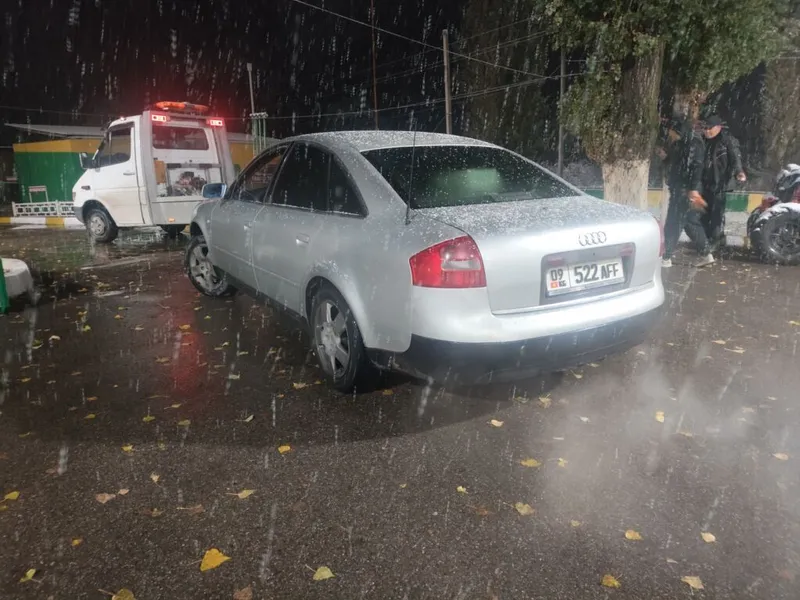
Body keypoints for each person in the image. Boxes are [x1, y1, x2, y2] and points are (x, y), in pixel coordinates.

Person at [660, 117, 716, 268]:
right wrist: (665, 158)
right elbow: (676, 163)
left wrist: (693, 190)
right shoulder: (680, 143)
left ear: (678, 130)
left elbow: (697, 167)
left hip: (685, 190)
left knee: (674, 222)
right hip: (681, 188)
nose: (670, 134)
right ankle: (706, 254)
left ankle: (666, 257)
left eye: (671, 132)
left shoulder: (693, 144)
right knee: (690, 223)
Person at [701, 115, 746, 252]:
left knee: (716, 214)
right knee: (703, 213)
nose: (707, 131)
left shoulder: (727, 140)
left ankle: (714, 241)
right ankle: (710, 240)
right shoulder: (703, 141)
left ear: (718, 127)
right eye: (705, 128)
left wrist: (739, 171)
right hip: (705, 182)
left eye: (710, 128)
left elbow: (735, 157)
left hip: (721, 182)